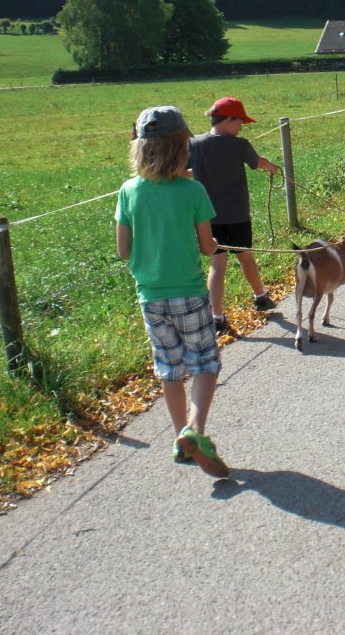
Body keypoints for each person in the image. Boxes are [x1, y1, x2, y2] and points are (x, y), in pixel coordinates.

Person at [115, 106, 229, 478]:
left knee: (169, 368)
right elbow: (208, 246)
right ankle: (194, 430)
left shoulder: (128, 191)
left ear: (140, 147)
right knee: (205, 362)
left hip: (150, 296)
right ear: (182, 147)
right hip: (190, 293)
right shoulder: (193, 191)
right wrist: (217, 248)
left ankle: (181, 438)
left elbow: (124, 250)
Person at [189, 97, 280, 334]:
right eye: (239, 122)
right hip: (238, 215)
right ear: (228, 119)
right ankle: (261, 297)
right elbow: (258, 162)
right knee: (245, 257)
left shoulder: (194, 144)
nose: (241, 127)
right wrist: (273, 167)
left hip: (208, 218)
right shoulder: (240, 145)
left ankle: (216, 317)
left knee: (217, 265)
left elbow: (184, 171)